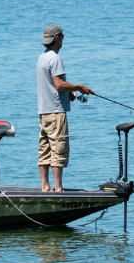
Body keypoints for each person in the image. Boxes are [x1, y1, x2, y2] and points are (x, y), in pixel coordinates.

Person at [35, 25, 95, 193]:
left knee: (44, 149)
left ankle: (45, 187)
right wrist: (80, 86)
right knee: (58, 149)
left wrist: (70, 92)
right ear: (56, 38)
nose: (63, 38)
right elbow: (59, 84)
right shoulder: (55, 58)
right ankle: (58, 188)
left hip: (44, 112)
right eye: (62, 35)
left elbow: (52, 86)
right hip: (56, 113)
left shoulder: (42, 58)